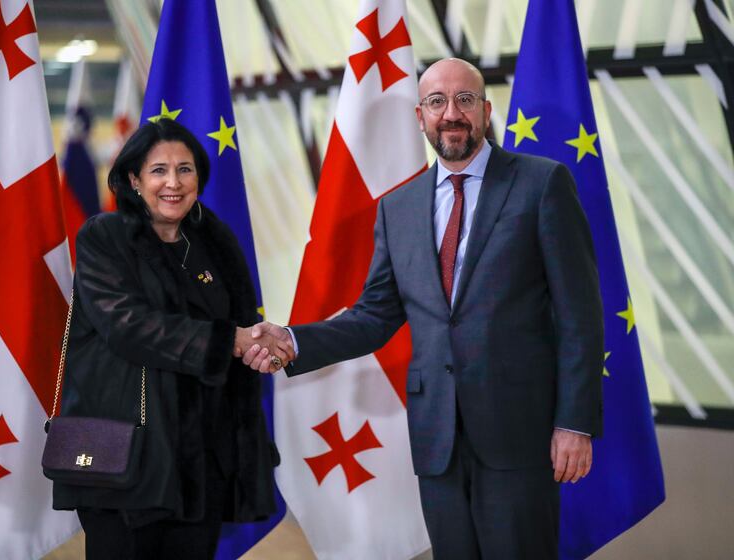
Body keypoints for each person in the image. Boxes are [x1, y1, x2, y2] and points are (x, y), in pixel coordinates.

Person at [244, 58, 604, 559]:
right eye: (437, 102)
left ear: (486, 109)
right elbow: (375, 314)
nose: (451, 113)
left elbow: (579, 316)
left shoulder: (541, 185)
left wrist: (575, 423)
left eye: (464, 100)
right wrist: (293, 339)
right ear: (420, 117)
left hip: (519, 436)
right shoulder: (399, 206)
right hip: (438, 441)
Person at [51, 118, 290, 559]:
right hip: (131, 455)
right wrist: (229, 341)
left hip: (203, 460)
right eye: (159, 170)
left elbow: (238, 324)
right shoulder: (105, 237)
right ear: (133, 179)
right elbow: (129, 326)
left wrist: (260, 347)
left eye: (185, 169)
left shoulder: (213, 242)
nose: (173, 183)